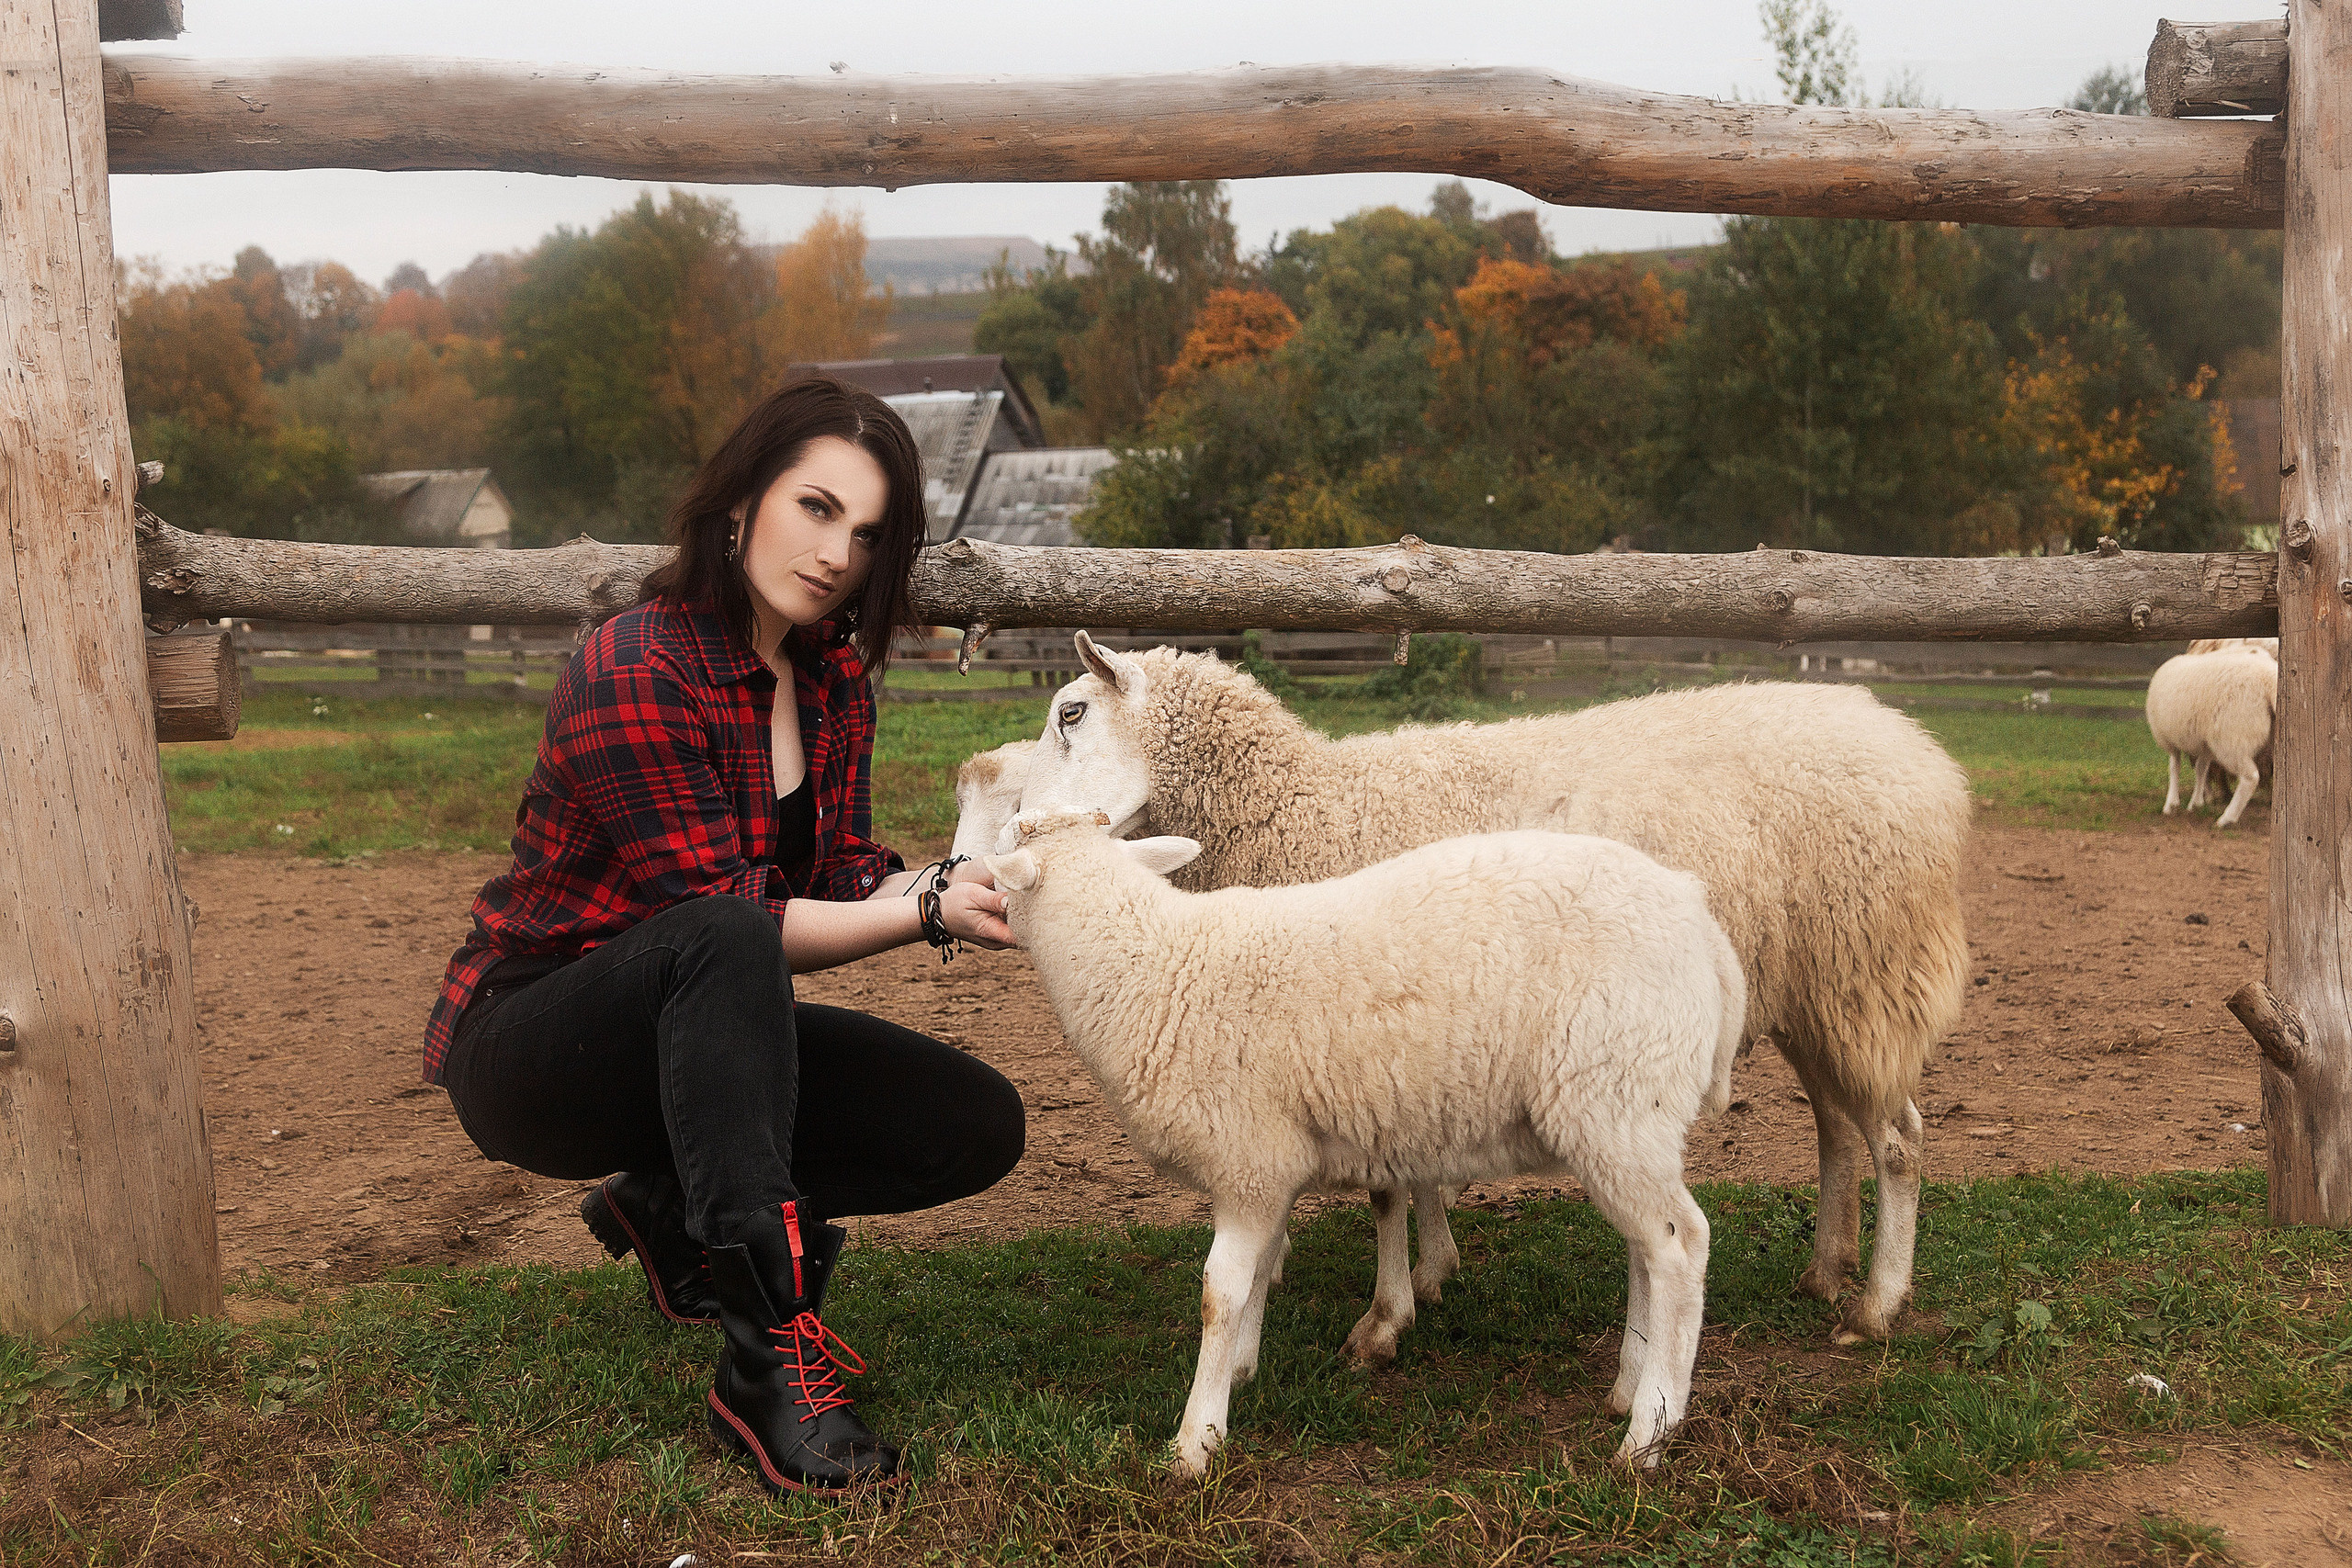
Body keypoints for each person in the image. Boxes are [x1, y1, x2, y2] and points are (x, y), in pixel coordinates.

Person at [422, 377, 1024, 1494]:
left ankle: (669, 1205)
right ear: (741, 500)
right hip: (534, 1045)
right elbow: (734, 917)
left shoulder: (832, 675)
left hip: (702, 1032)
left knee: (974, 1124)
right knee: (724, 936)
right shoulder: (637, 663)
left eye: (868, 530)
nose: (838, 550)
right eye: (815, 506)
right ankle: (764, 1362)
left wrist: (961, 881)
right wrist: (922, 913)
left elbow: (843, 873)